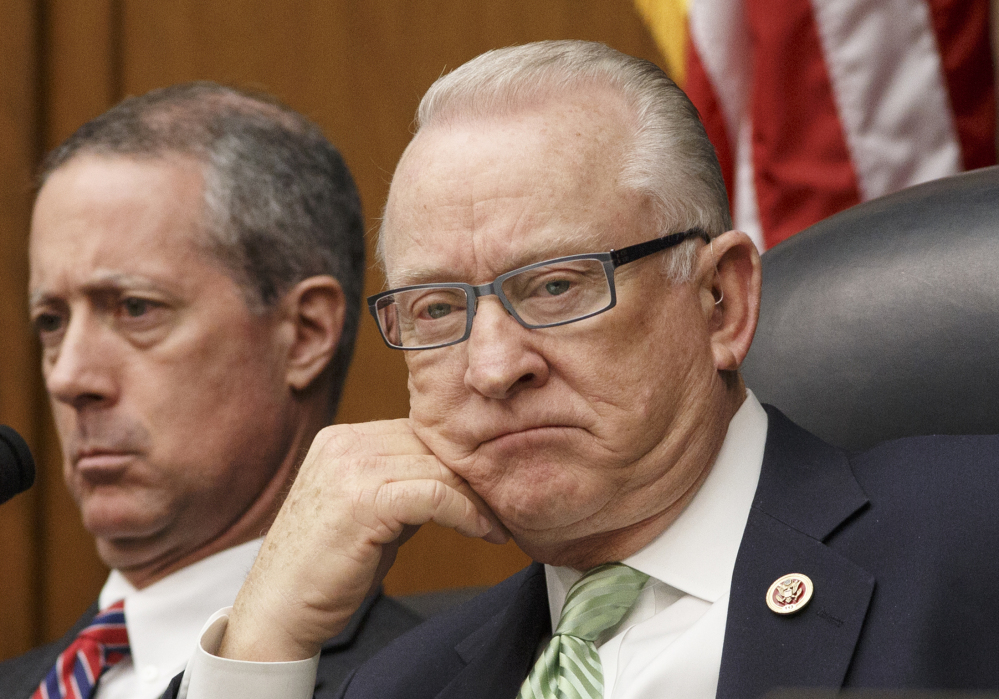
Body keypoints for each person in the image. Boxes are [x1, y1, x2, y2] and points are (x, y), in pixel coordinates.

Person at [181, 42, 999, 698]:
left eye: (555, 286)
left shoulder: (971, 531)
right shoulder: (405, 681)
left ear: (720, 299)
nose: (493, 367)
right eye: (435, 310)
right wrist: (259, 646)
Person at [0, 83, 421, 699]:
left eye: (135, 309)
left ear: (304, 334)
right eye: (52, 322)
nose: (68, 378)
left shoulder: (430, 681)